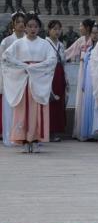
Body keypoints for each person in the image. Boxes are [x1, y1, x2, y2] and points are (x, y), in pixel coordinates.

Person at [1, 14, 57, 153]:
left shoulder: (44, 44)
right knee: (23, 110)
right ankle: (24, 140)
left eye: (35, 26)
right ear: (25, 27)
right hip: (24, 81)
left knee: (37, 109)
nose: (33, 29)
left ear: (39, 28)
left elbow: (52, 59)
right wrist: (22, 66)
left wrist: (37, 67)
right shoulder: (18, 43)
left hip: (38, 81)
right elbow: (6, 57)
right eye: (30, 26)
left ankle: (36, 140)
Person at [1, 12, 27, 146]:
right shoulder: (6, 41)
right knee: (10, 108)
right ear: (13, 25)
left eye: (23, 22)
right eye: (18, 22)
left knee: (24, 109)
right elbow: (2, 62)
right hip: (10, 80)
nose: (21, 24)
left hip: (25, 79)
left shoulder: (29, 40)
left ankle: (23, 136)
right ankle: (10, 136)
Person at [66, 18, 95, 140]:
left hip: (92, 70)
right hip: (83, 69)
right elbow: (69, 52)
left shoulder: (94, 40)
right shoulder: (80, 40)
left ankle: (91, 129)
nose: (80, 28)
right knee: (80, 96)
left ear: (87, 27)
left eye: (81, 26)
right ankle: (80, 129)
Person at [76, 23, 98, 141]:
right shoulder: (89, 49)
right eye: (93, 33)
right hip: (88, 78)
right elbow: (85, 66)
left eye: (97, 33)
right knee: (88, 104)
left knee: (96, 104)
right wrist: (83, 83)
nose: (94, 35)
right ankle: (89, 132)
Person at [45, 20, 68, 142]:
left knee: (59, 102)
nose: (57, 31)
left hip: (59, 73)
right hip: (49, 73)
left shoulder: (61, 44)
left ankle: (55, 131)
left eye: (59, 29)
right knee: (49, 101)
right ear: (49, 30)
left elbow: (64, 61)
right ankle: (47, 130)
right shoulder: (45, 43)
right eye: (54, 29)